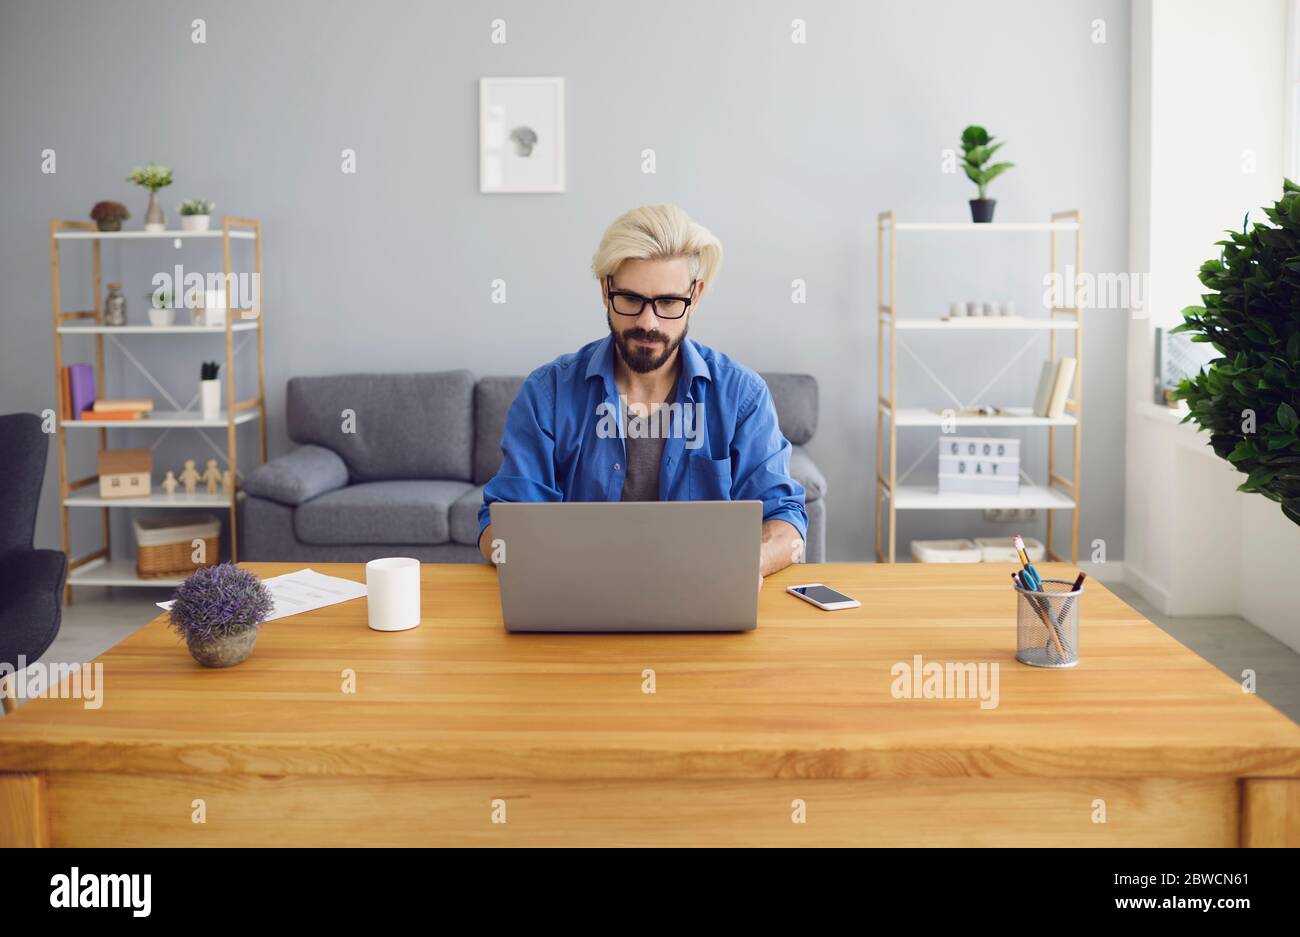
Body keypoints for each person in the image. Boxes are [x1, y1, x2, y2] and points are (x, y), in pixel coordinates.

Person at [478, 204, 806, 577]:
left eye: (667, 302)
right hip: (578, 608)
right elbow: (499, 522)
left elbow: (786, 520)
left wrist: (740, 568)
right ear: (606, 289)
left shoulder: (742, 396)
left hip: (701, 609)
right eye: (631, 299)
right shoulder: (547, 394)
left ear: (694, 297)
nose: (647, 323)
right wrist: (536, 561)